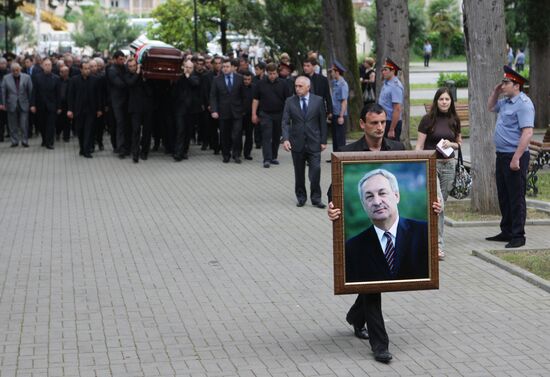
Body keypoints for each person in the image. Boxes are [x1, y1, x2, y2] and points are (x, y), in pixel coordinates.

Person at [327, 104, 441, 363]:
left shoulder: (398, 149)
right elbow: (333, 191)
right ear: (362, 124)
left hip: (396, 231)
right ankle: (381, 345)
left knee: (374, 281)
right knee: (372, 285)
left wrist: (435, 204)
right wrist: (333, 208)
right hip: (370, 236)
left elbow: (426, 173)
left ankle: (356, 316)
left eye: (382, 122)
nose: (379, 127)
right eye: (374, 123)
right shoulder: (347, 152)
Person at [345, 169, 429, 282]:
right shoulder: (352, 248)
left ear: (396, 196)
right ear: (363, 205)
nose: (377, 202)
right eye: (369, 196)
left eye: (382, 193)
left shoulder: (425, 232)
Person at [486, 65, 534, 248]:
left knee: (516, 197)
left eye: (506, 82)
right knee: (504, 195)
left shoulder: (524, 104)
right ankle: (506, 231)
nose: (503, 84)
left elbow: (528, 133)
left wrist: (516, 158)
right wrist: (495, 92)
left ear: (517, 85)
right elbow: (490, 107)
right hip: (502, 155)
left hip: (515, 157)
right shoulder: (506, 101)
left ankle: (518, 235)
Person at [415, 87, 462, 260]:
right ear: (436, 101)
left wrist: (451, 144)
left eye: (447, 99)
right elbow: (419, 146)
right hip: (431, 164)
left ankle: (431, 240)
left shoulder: (454, 119)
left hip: (449, 165)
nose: (444, 102)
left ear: (451, 102)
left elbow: (459, 143)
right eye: (441, 99)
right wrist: (418, 164)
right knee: (438, 203)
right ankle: (438, 246)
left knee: (440, 207)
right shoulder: (428, 120)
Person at [281, 76, 327, 208]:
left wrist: (323, 141)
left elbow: (322, 122)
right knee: (299, 172)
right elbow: (285, 121)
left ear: (308, 87)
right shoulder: (290, 101)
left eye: (300, 86)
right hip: (297, 142)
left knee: (315, 171)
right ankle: (301, 197)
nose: (297, 88)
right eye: (296, 86)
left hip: (314, 142)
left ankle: (316, 198)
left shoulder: (318, 101)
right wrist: (286, 139)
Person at [252, 62, 291, 168]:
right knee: (266, 136)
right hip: (265, 114)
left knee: (276, 136)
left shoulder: (283, 84)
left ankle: (273, 156)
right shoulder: (260, 83)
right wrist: (254, 114)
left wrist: (288, 114)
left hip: (279, 114)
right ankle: (267, 159)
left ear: (277, 73)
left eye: (274, 73)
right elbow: (256, 99)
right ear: (266, 73)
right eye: (270, 74)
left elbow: (288, 100)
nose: (272, 76)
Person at [210, 58, 246, 163]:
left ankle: (236, 154)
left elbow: (244, 96)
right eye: (224, 67)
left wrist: (243, 109)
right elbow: (213, 96)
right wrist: (214, 110)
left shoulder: (239, 78)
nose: (225, 69)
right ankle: (226, 155)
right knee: (224, 135)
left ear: (232, 67)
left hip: (237, 112)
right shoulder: (217, 79)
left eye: (227, 67)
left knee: (237, 134)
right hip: (223, 112)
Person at [67, 59, 103, 158]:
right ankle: (82, 148)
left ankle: (87, 150)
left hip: (91, 110)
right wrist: (70, 109)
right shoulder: (74, 80)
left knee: (89, 130)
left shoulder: (95, 80)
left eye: (88, 69)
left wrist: (99, 109)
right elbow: (70, 96)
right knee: (80, 130)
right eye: (85, 69)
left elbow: (98, 96)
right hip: (78, 110)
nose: (88, 70)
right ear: (81, 69)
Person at [125, 58, 155, 163]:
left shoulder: (145, 75)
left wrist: (144, 79)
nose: (132, 68)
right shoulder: (128, 75)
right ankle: (135, 153)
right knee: (136, 131)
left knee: (147, 131)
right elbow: (130, 83)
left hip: (147, 108)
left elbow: (151, 91)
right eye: (130, 66)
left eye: (134, 65)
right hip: (135, 108)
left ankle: (144, 152)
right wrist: (137, 73)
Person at [30, 58, 61, 150]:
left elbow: (58, 94)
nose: (48, 66)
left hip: (52, 105)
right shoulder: (36, 77)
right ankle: (44, 139)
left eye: (49, 65)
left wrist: (59, 107)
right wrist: (32, 105)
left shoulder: (56, 78)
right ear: (42, 66)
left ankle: (50, 142)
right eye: (46, 65)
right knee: (42, 125)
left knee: (51, 125)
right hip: (40, 105)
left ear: (52, 66)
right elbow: (34, 92)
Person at [0, 62, 33, 147]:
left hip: (24, 103)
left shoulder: (27, 77)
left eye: (17, 70)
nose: (15, 72)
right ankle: (14, 141)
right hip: (11, 104)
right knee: (12, 124)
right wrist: (2, 104)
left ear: (20, 69)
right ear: (11, 71)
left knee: (24, 124)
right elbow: (3, 92)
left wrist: (31, 104)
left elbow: (30, 91)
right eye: (13, 70)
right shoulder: (6, 78)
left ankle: (25, 141)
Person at [107, 51, 129, 158]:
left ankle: (126, 146)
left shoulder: (124, 68)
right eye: (120, 59)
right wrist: (130, 81)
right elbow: (119, 84)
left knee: (125, 124)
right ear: (115, 59)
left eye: (123, 59)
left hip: (126, 101)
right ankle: (120, 148)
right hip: (117, 102)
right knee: (119, 124)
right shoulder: (111, 70)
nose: (123, 61)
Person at [378, 58, 404, 141]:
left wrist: (392, 129)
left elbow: (397, 109)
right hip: (384, 121)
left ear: (393, 71)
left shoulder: (395, 86)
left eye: (385, 70)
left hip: (391, 123)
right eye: (383, 70)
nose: (383, 72)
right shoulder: (387, 83)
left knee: (392, 150)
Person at [329, 61, 349, 155]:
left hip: (340, 114)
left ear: (337, 72)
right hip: (335, 113)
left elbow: (344, 101)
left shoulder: (343, 84)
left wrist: (341, 116)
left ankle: (341, 156)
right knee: (335, 137)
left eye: (332, 71)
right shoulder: (335, 83)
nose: (331, 73)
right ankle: (335, 156)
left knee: (340, 138)